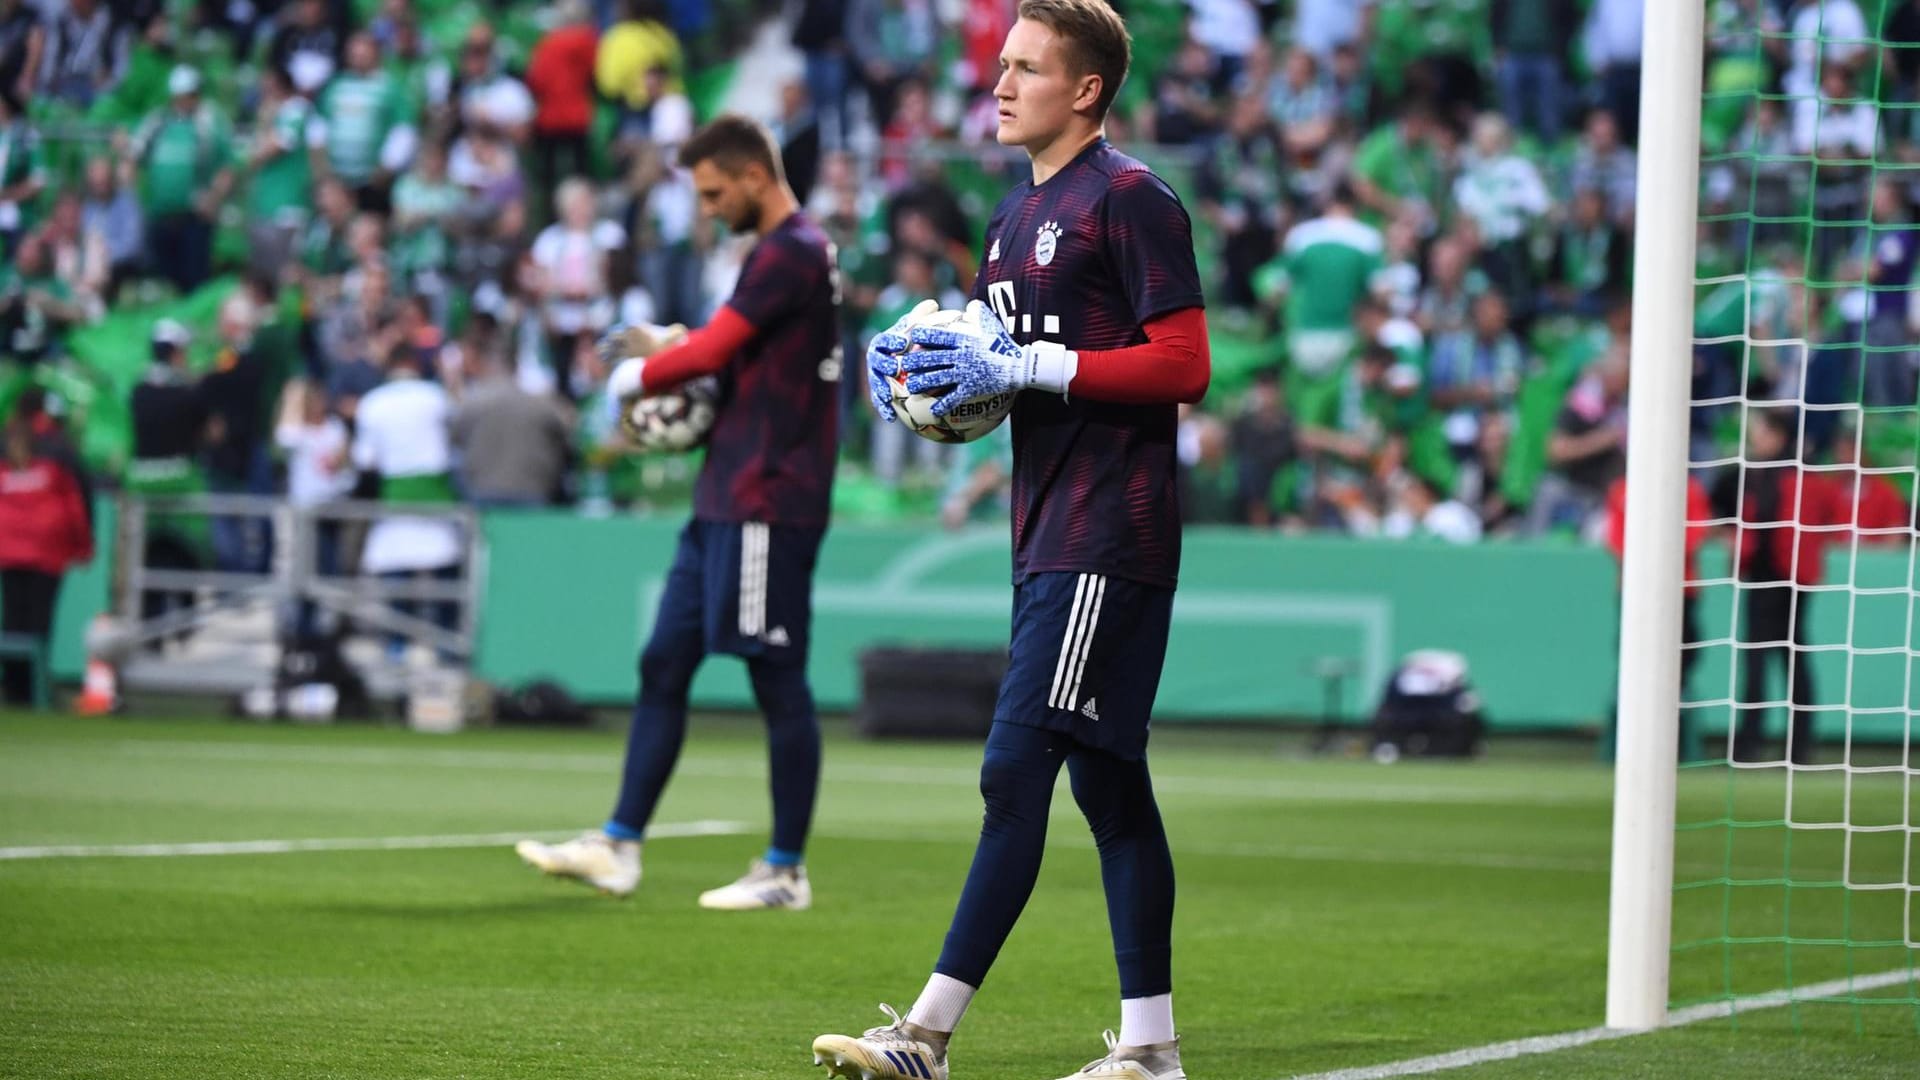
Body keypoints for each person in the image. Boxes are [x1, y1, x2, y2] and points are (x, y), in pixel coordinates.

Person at [817, 2, 1209, 1077]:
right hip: (1046, 529)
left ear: (1085, 90)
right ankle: (1151, 1054)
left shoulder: (1130, 200)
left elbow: (1184, 363)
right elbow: (1000, 380)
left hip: (1105, 532)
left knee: (1012, 767)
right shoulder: (1006, 219)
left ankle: (928, 1036)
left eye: (1026, 67)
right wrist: (927, 386)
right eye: (1000, 65)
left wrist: (1028, 369)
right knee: (1108, 788)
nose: (998, 84)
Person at [513, 115, 842, 910]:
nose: (706, 207)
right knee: (664, 661)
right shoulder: (778, 253)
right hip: (726, 491)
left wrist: (636, 378)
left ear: (754, 177)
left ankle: (785, 869)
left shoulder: (792, 249)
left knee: (775, 673)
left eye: (713, 191)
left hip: (768, 495)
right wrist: (680, 344)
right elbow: (733, 352)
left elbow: (715, 353)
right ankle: (619, 845)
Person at [0, 404, 93, 705]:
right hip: (40, 558)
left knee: (17, 622)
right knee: (35, 624)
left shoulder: (21, 470)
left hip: (18, 556)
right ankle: (31, 690)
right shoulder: (53, 468)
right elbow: (74, 510)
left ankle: (19, 688)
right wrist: (83, 545)